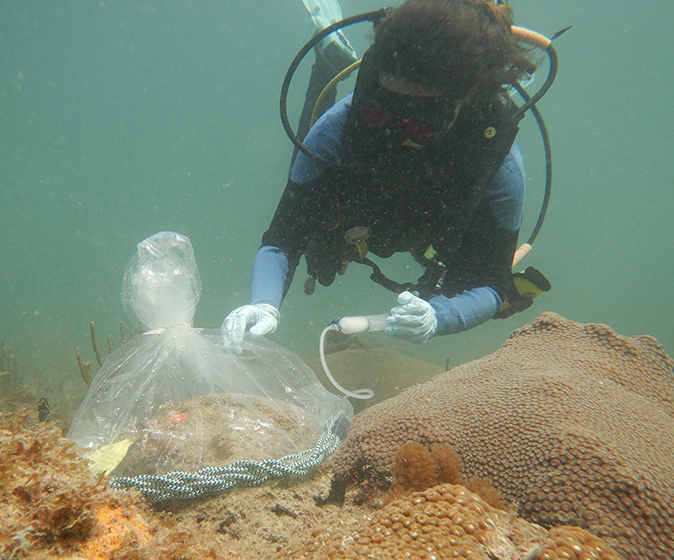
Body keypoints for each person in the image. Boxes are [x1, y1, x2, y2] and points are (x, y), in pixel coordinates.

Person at [223, 0, 539, 348]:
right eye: (377, 114)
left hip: (431, 232)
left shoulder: (493, 162)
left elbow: (491, 283)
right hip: (352, 213)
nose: (393, 136)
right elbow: (283, 239)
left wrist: (440, 317)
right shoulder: (337, 129)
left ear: (463, 105)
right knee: (311, 180)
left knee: (453, 282)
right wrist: (264, 304)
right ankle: (331, 59)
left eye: (419, 125)